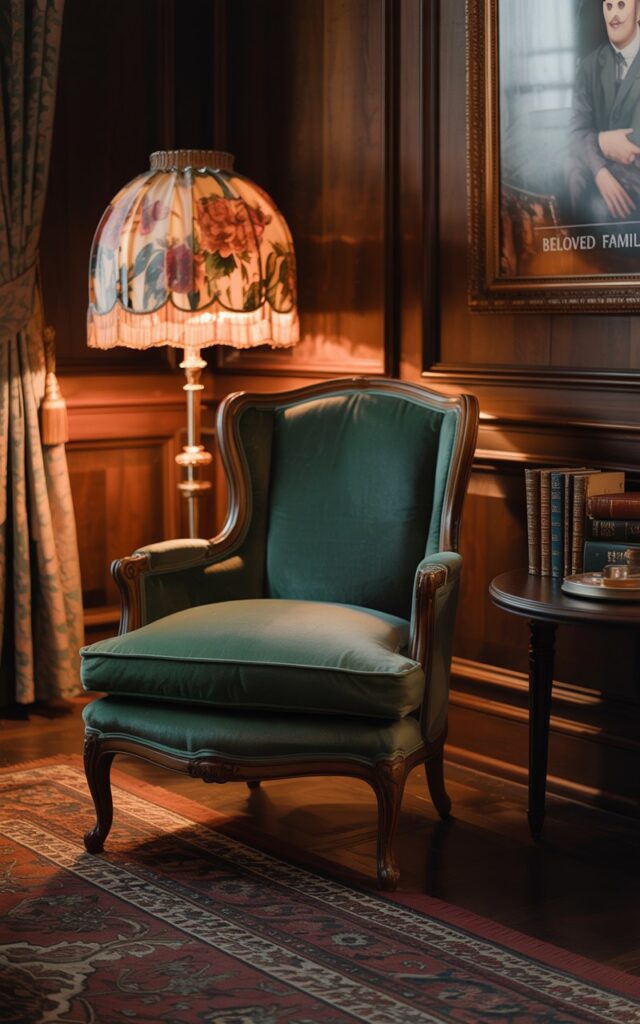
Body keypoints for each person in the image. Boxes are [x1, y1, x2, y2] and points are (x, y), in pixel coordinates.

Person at [568, 0, 640, 222]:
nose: (614, 15)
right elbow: (575, 132)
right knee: (574, 171)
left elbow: (633, 145)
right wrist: (601, 155)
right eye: (608, 6)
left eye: (621, 5)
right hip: (598, 174)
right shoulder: (589, 66)